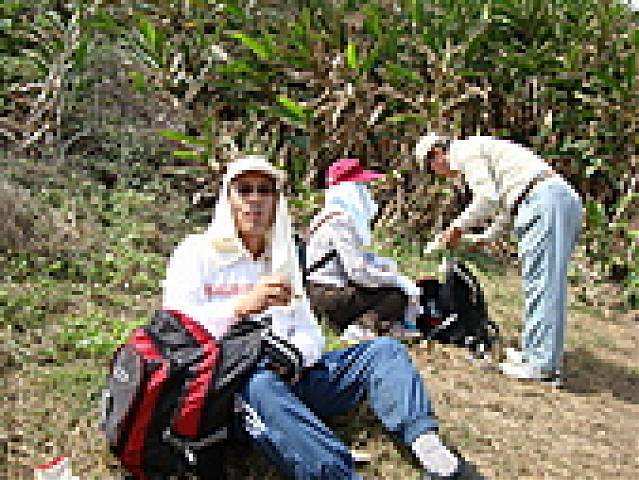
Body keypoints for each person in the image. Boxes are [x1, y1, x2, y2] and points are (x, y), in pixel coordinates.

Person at [162, 155, 465, 479]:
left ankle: (427, 444)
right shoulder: (197, 253)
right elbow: (176, 330)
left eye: (264, 191)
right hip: (232, 387)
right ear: (228, 198)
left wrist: (294, 358)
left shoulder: (281, 257)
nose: (254, 200)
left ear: (276, 201)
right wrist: (241, 307)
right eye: (244, 190)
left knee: (384, 352)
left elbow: (309, 331)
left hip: (291, 374)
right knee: (260, 385)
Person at [415, 134, 583, 383]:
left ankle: (541, 365)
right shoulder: (481, 151)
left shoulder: (465, 151)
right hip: (551, 200)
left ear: (436, 154)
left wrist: (456, 228)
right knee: (541, 283)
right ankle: (535, 354)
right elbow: (506, 205)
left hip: (545, 202)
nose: (438, 174)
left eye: (431, 168)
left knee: (544, 284)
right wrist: (484, 238)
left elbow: (487, 199)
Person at [305, 158, 422, 339]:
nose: (366, 192)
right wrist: (397, 281)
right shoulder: (340, 220)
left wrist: (384, 268)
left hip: (317, 293)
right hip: (328, 295)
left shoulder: (325, 217)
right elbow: (358, 272)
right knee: (396, 295)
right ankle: (362, 327)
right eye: (361, 186)